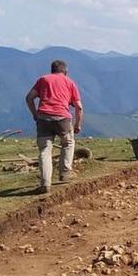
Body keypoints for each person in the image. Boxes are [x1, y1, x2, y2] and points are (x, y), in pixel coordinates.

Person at [25, 59, 84, 194]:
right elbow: (79, 107)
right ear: (65, 71)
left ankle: (45, 183)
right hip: (63, 118)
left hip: (43, 117)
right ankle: (65, 172)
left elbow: (29, 98)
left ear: (52, 70)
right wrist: (77, 124)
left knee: (45, 150)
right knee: (68, 143)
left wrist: (35, 114)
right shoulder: (70, 82)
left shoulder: (43, 80)